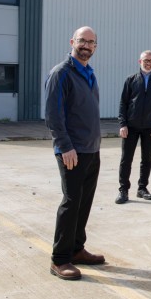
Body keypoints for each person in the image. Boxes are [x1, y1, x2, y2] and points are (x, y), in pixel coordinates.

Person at [44, 26, 106, 281]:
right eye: (82, 41)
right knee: (71, 203)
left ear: (95, 47)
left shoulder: (89, 73)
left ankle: (77, 249)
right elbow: (53, 114)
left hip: (91, 149)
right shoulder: (61, 73)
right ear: (72, 42)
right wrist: (65, 146)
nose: (86, 45)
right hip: (72, 151)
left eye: (91, 42)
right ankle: (60, 259)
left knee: (84, 202)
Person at [116, 50, 151, 204]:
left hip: (150, 128)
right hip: (131, 127)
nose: (148, 63)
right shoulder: (131, 80)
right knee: (126, 159)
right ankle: (123, 190)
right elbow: (123, 103)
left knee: (146, 159)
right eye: (145, 60)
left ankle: (142, 188)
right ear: (140, 62)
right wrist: (123, 124)